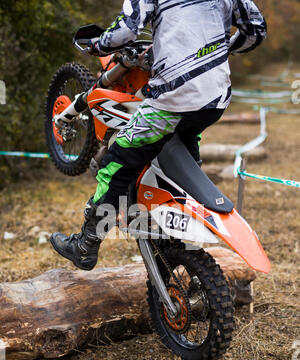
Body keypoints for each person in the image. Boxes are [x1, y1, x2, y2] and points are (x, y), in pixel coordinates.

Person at [50, 0, 267, 271]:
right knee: (179, 145)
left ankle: (86, 244)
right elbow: (256, 30)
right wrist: (217, 50)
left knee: (115, 165)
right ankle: (174, 231)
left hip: (173, 99)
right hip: (215, 100)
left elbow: (125, 32)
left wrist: (98, 46)